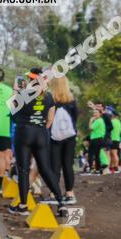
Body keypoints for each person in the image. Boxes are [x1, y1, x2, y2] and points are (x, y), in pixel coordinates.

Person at [9, 68, 65, 216]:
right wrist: (40, 128)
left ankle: (23, 206)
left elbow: (12, 109)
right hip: (41, 133)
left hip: (24, 132)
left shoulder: (22, 94)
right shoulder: (48, 96)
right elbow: (50, 119)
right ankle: (61, 203)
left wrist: (15, 90)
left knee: (23, 169)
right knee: (45, 168)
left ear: (32, 80)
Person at [48, 76, 77, 205]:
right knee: (68, 165)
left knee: (55, 165)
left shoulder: (49, 100)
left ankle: (54, 193)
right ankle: (70, 193)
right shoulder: (72, 101)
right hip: (70, 137)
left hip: (54, 137)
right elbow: (74, 119)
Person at [87, 103, 106, 174]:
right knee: (97, 155)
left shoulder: (98, 121)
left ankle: (91, 169)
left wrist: (90, 120)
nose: (94, 114)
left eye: (96, 113)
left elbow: (90, 128)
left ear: (100, 114)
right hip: (100, 139)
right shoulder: (101, 120)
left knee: (90, 154)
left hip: (95, 139)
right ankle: (98, 169)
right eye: (94, 113)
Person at [109, 107, 121, 174]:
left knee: (113, 154)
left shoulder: (112, 122)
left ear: (113, 115)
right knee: (114, 153)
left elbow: (109, 130)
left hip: (112, 139)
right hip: (117, 139)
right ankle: (113, 166)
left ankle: (115, 166)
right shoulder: (119, 122)